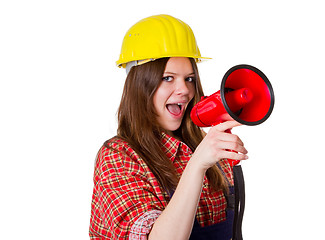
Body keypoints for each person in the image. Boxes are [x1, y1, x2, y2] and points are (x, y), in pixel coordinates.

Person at [89, 14, 248, 240]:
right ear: (140, 85)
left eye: (189, 79)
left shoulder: (204, 147)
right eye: (168, 78)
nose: (184, 90)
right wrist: (198, 164)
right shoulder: (119, 157)